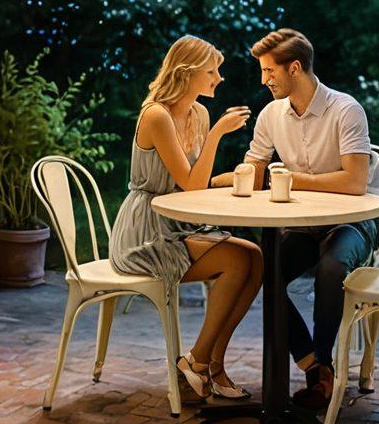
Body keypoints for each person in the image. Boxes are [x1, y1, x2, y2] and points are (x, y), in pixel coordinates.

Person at [212, 28, 379, 410]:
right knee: (263, 269)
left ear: (294, 68)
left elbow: (356, 182)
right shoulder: (272, 115)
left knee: (331, 268)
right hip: (304, 225)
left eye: (269, 71)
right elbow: (255, 170)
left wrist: (289, 178)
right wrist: (214, 176)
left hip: (352, 224)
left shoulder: (346, 109)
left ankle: (323, 364)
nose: (263, 80)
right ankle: (313, 364)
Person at [109, 35, 264, 403]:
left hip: (178, 221)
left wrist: (229, 175)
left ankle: (210, 364)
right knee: (238, 261)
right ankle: (198, 363)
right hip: (147, 230)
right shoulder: (157, 115)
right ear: (188, 72)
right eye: (211, 71)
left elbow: (197, 181)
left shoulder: (198, 112)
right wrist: (216, 136)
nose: (219, 78)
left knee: (255, 258)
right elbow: (192, 184)